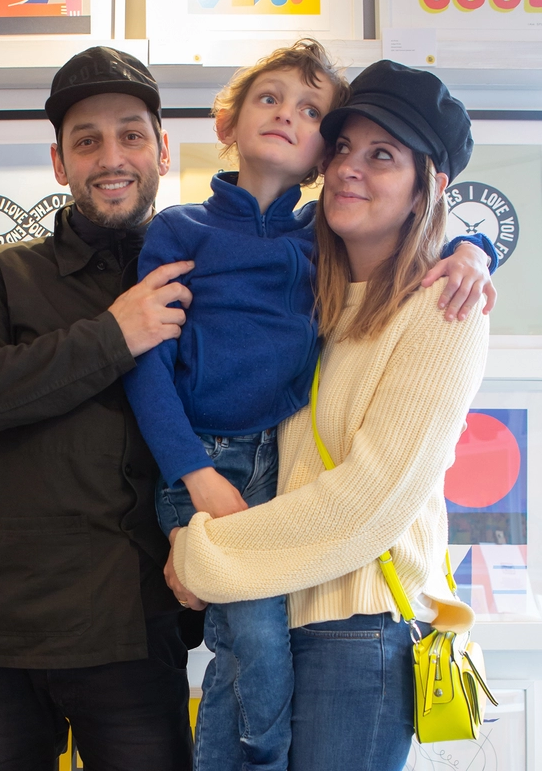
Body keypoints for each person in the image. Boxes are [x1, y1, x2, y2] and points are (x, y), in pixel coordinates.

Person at [123, 44, 496, 771]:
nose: (353, 166)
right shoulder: (319, 287)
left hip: (359, 631)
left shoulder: (444, 307)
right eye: (347, 146)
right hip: (281, 602)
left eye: (383, 154)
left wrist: (202, 554)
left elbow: (366, 501)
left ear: (429, 185)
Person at [0, 47, 196, 771]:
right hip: (5, 636)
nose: (112, 156)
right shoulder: (4, 274)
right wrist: (113, 336)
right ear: (58, 162)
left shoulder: (197, 276)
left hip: (137, 632)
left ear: (163, 149)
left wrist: (467, 249)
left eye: (131, 134)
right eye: (87, 140)